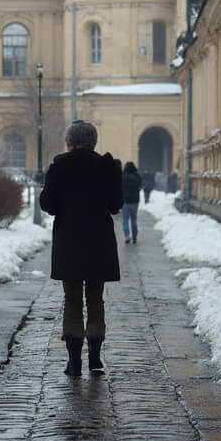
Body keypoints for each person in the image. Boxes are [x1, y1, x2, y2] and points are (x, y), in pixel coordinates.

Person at [39, 120, 123, 377]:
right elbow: (115, 204)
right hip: (99, 241)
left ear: (70, 142)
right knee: (96, 299)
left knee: (72, 300)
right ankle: (95, 358)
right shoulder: (107, 167)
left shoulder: (59, 167)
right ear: (93, 142)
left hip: (69, 242)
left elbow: (48, 204)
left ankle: (74, 360)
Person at [121, 161, 142, 245]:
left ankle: (127, 236)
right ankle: (134, 236)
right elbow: (140, 186)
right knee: (134, 219)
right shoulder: (137, 176)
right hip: (135, 201)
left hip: (125, 201)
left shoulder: (122, 176)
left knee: (125, 219)